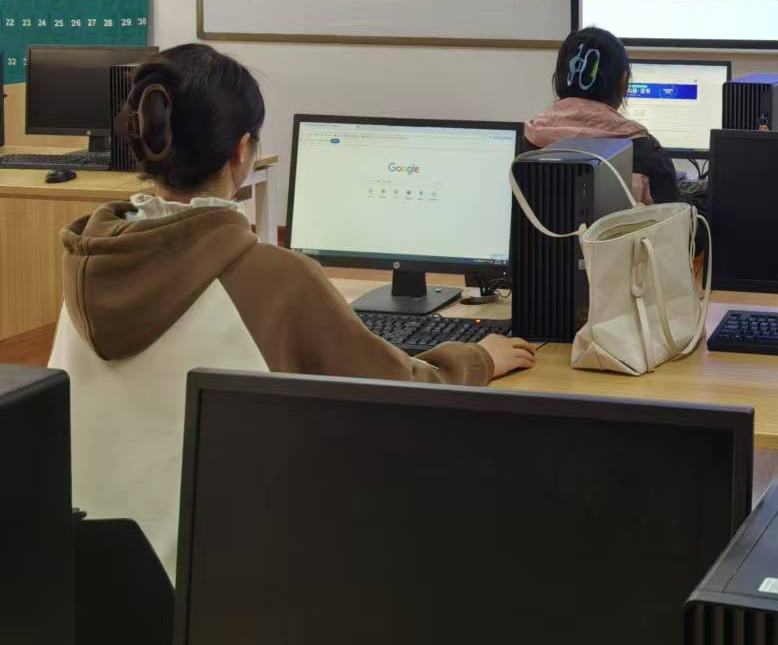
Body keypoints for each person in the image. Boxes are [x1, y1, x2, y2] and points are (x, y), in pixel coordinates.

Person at [47, 44, 537, 577]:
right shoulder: (273, 278)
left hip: (72, 578)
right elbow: (404, 394)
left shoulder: (89, 266)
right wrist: (479, 358)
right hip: (215, 586)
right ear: (241, 153)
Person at [525, 26, 680, 205]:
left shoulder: (527, 140)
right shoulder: (646, 152)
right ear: (623, 82)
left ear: (559, 79)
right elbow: (676, 217)